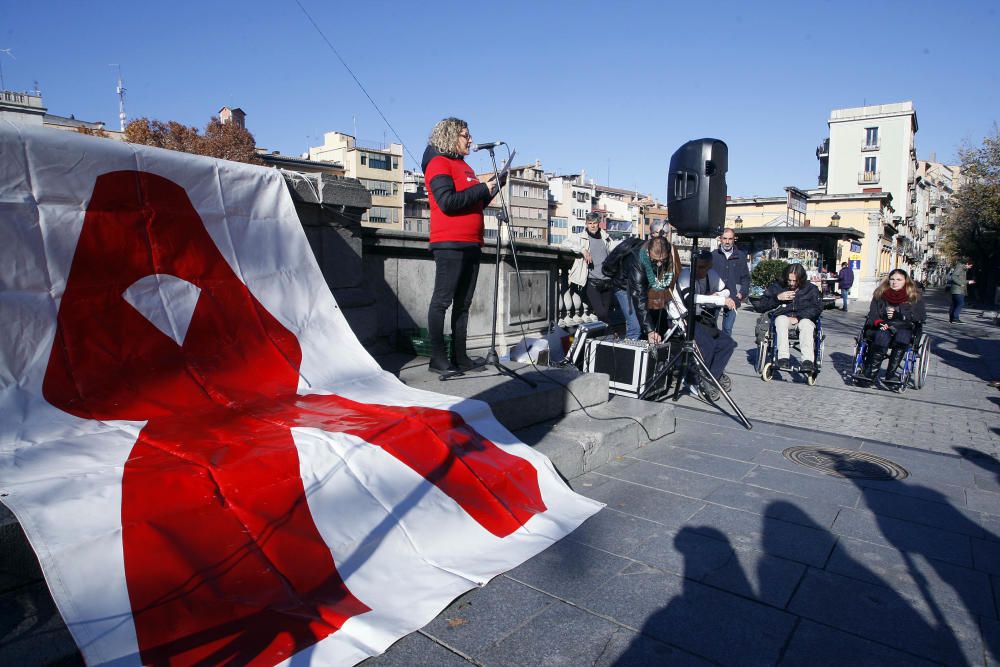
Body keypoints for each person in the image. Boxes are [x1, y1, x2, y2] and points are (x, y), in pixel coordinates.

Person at [422, 117, 505, 374]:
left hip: (471, 243)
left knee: (463, 304)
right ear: (450, 136)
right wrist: (482, 188)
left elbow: (474, 202)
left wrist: (493, 187)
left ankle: (461, 357)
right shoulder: (438, 163)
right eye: (465, 135)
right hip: (449, 242)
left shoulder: (465, 167)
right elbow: (447, 202)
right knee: (442, 301)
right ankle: (438, 359)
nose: (470, 140)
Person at [671, 251, 739, 392]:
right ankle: (693, 380)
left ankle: (710, 378)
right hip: (683, 320)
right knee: (707, 345)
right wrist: (719, 300)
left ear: (709, 266)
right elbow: (691, 299)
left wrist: (718, 294)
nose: (699, 270)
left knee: (727, 343)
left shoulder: (711, 274)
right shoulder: (685, 275)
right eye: (697, 266)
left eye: (703, 267)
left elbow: (726, 290)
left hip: (700, 319)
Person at [859, 269, 926, 386]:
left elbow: (920, 316)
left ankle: (891, 374)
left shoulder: (914, 296)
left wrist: (900, 315)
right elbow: (873, 315)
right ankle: (870, 374)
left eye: (899, 280)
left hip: (904, 327)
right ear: (888, 280)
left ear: (905, 281)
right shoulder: (879, 294)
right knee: (881, 335)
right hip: (883, 326)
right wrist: (880, 323)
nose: (895, 282)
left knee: (902, 336)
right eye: (892, 279)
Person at [757, 263, 823, 372]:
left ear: (801, 279)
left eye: (795, 281)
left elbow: (817, 308)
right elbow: (761, 305)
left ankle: (807, 361)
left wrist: (799, 317)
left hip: (804, 319)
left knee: (806, 324)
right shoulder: (778, 287)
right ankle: (783, 358)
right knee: (780, 320)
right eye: (789, 280)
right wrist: (777, 298)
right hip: (784, 318)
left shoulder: (811, 289)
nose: (792, 283)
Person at [562, 212, 616, 324]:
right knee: (601, 314)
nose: (592, 226)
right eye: (589, 223)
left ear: (599, 223)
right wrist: (582, 250)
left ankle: (605, 336)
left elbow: (614, 252)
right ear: (586, 224)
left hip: (607, 282)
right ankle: (612, 334)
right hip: (592, 282)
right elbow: (565, 243)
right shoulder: (581, 237)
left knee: (605, 314)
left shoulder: (605, 237)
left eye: (595, 223)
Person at [712, 227, 750, 336]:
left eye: (730, 239)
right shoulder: (714, 255)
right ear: (720, 239)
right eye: (725, 238)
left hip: (733, 296)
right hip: (716, 296)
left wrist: (742, 293)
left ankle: (724, 350)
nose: (727, 242)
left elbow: (745, 278)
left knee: (727, 329)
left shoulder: (741, 256)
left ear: (734, 240)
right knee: (711, 326)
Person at [948, 259, 974, 324]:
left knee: (955, 304)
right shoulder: (960, 267)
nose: (970, 267)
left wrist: (968, 282)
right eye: (970, 266)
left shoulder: (963, 268)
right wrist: (961, 283)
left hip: (957, 289)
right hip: (958, 290)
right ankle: (955, 318)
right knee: (960, 303)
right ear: (967, 264)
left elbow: (959, 278)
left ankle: (952, 318)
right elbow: (953, 276)